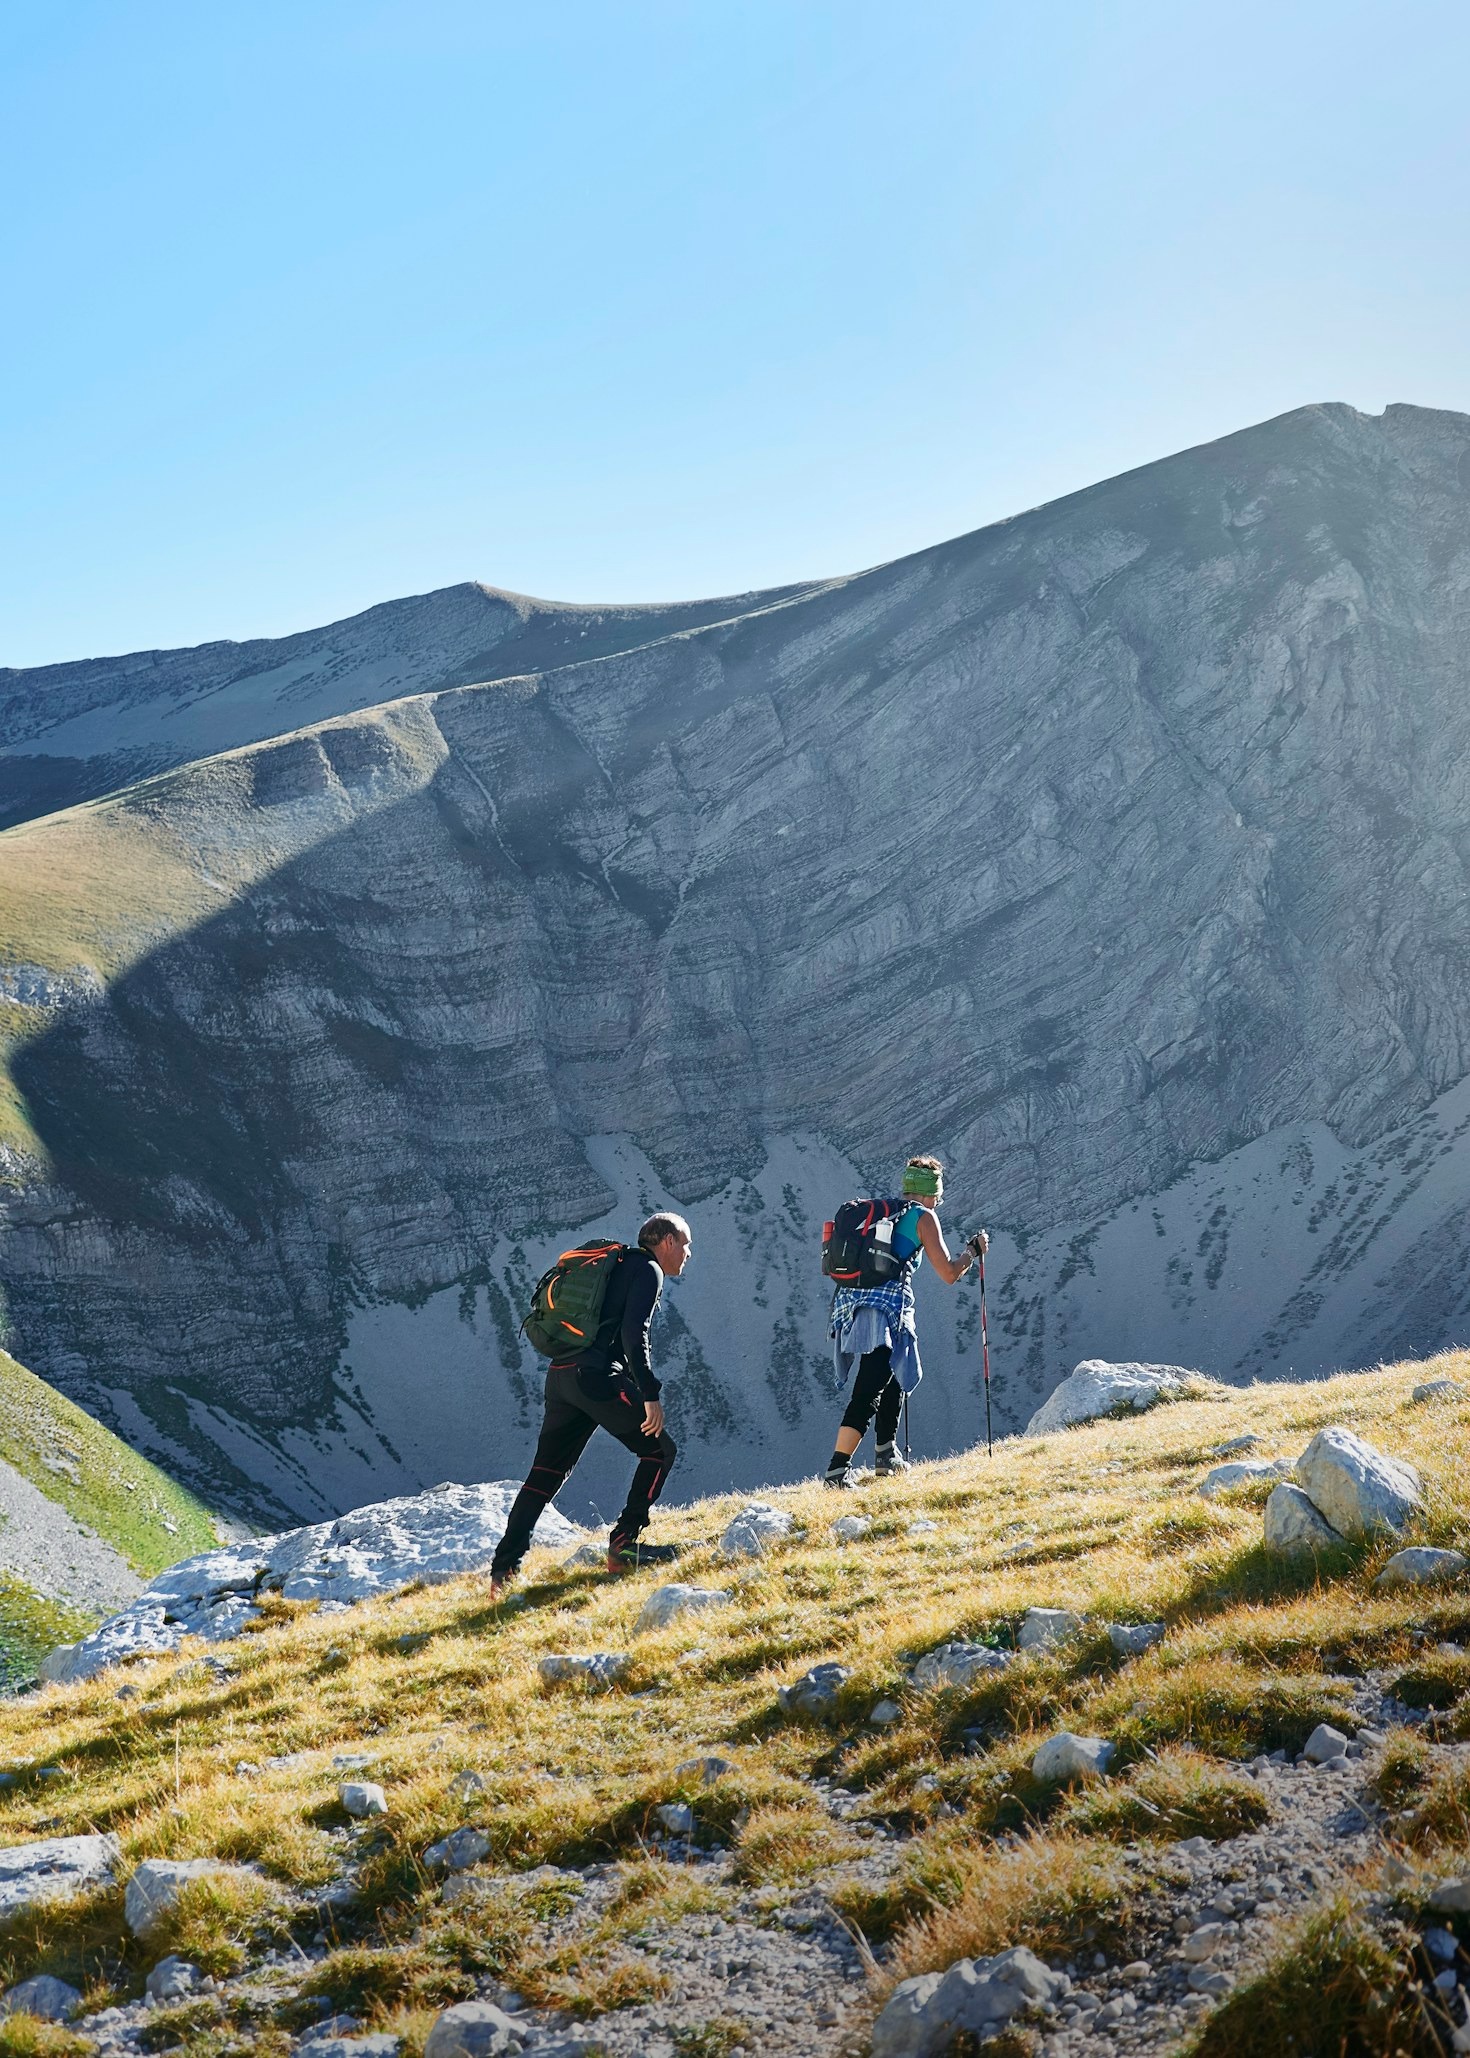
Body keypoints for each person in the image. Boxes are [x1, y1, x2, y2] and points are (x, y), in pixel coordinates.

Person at [489, 1212, 690, 1594]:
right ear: (666, 1241)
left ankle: (504, 1571)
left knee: (544, 1475)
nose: (688, 1253)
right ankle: (624, 1545)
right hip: (596, 1377)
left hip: (562, 1375)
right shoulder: (648, 1269)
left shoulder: (617, 1264)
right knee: (659, 1452)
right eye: (685, 1243)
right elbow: (635, 1334)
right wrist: (650, 1394)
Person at [824, 1155, 985, 1487]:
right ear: (929, 1193)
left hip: (851, 1304)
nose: (938, 1201)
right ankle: (836, 1471)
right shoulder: (922, 1218)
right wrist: (972, 1252)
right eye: (937, 1195)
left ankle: (886, 1454)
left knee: (894, 1372)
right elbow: (950, 1273)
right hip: (885, 1311)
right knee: (869, 1388)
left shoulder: (886, 1212)